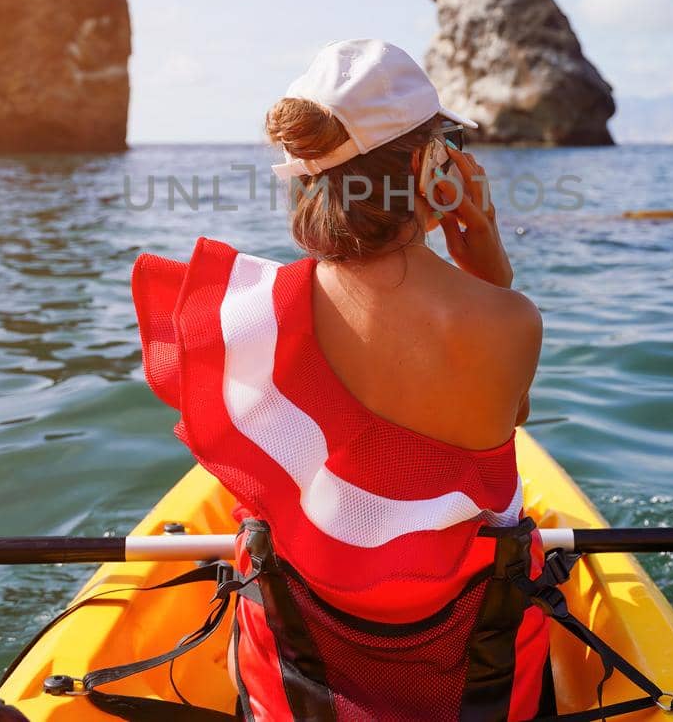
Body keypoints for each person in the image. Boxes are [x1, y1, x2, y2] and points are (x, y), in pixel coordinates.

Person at [130, 39, 552, 719]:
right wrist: (487, 251)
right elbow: (513, 412)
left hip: (302, 675)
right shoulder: (509, 323)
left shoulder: (247, 315)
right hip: (470, 669)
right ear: (431, 165)